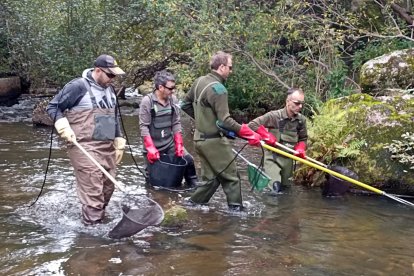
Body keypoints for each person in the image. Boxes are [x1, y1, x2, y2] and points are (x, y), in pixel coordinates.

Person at [46, 54, 126, 225]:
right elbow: (53, 107)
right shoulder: (78, 87)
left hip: (107, 146)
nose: (113, 79)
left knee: (108, 188)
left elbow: (113, 114)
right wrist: (62, 124)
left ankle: (96, 221)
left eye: (115, 76)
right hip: (83, 146)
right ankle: (93, 237)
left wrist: (119, 138)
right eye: (110, 75)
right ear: (98, 70)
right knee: (93, 192)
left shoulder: (110, 89)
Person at [180, 51, 262, 211]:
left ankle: (191, 205)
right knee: (232, 177)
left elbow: (185, 105)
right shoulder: (219, 89)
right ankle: (237, 211)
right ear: (222, 67)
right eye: (230, 67)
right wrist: (246, 132)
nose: (231, 71)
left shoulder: (199, 81)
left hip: (199, 140)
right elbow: (225, 120)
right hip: (214, 141)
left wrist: (203, 121)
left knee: (211, 179)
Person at [139, 70, 198, 188]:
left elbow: (176, 123)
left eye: (174, 88)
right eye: (170, 88)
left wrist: (179, 144)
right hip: (153, 147)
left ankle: (193, 185)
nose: (173, 91)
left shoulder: (173, 100)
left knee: (189, 160)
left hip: (169, 143)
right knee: (153, 181)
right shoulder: (147, 101)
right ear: (160, 87)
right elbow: (143, 127)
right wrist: (150, 148)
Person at [248, 87, 308, 194]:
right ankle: (271, 209)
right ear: (288, 101)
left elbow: (303, 138)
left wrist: (301, 148)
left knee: (285, 191)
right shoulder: (274, 116)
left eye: (301, 103)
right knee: (275, 188)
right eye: (297, 103)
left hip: (288, 159)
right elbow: (252, 125)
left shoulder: (301, 120)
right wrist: (265, 135)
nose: (300, 106)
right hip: (272, 158)